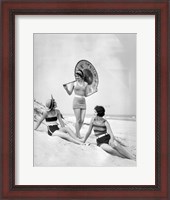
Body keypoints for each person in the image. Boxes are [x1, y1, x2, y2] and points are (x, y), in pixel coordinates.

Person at [63, 70, 89, 139]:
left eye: (78, 76)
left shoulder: (86, 84)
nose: (76, 77)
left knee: (82, 120)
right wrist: (66, 88)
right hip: (76, 101)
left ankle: (76, 133)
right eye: (76, 76)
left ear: (81, 76)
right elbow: (69, 93)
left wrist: (91, 91)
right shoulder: (73, 83)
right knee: (78, 120)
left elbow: (86, 95)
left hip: (83, 102)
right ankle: (78, 135)